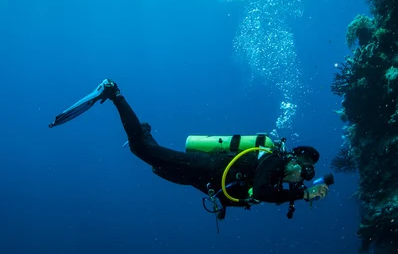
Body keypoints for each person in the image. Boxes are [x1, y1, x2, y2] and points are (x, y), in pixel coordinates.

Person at [49, 79, 330, 222]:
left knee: (154, 164)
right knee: (143, 150)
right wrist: (303, 194)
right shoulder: (273, 161)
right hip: (206, 168)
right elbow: (264, 192)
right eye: (304, 172)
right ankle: (113, 92)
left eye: (305, 178)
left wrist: (299, 192)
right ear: (295, 161)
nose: (301, 178)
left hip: (205, 181)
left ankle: (143, 129)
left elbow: (256, 192)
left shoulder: (277, 173)